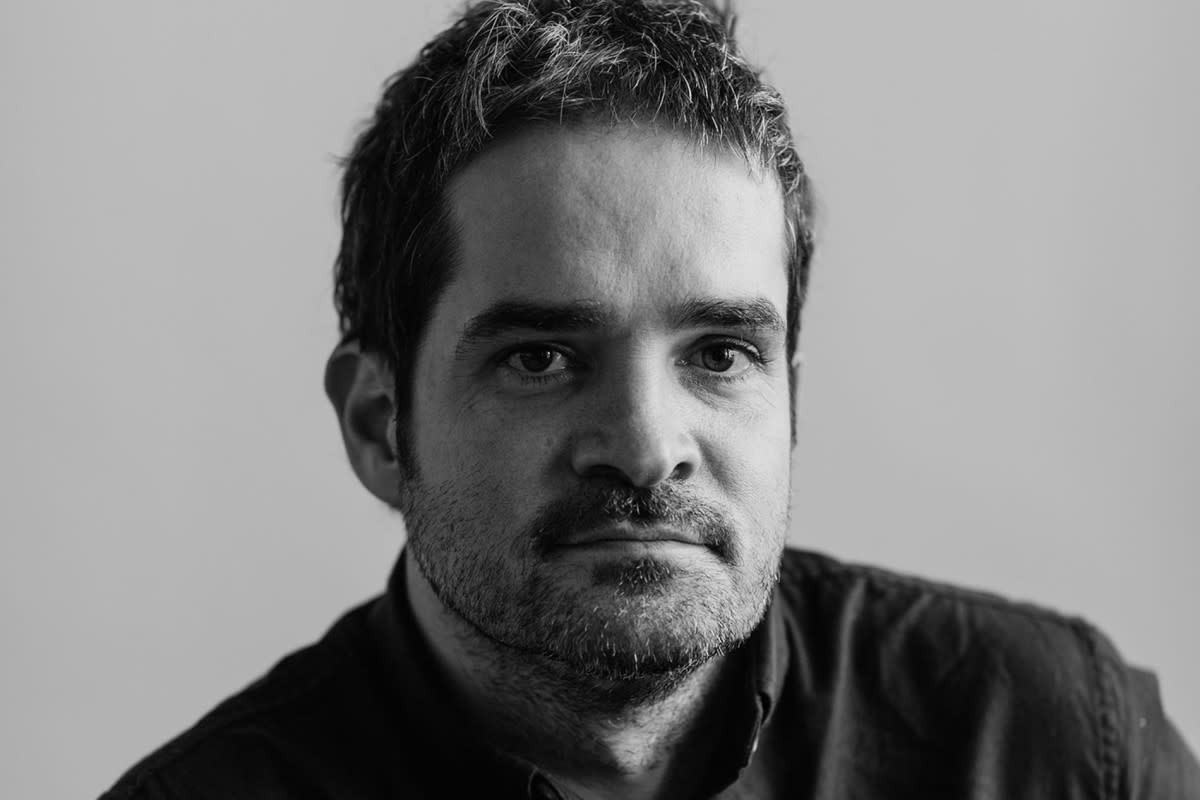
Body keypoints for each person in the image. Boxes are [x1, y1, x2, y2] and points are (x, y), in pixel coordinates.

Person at [102, 0, 1198, 797]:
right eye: (541, 357)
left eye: (720, 353)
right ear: (379, 426)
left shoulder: (1055, 745)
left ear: (789, 405)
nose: (644, 446)